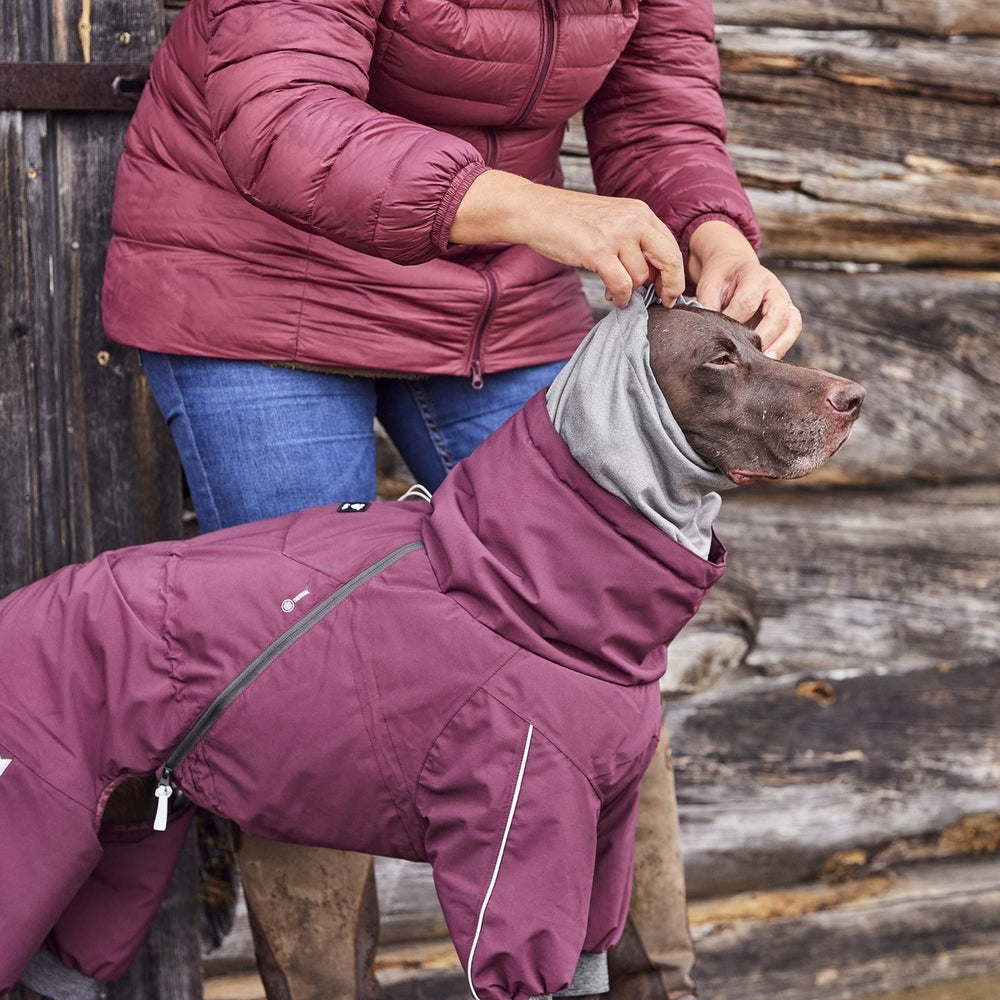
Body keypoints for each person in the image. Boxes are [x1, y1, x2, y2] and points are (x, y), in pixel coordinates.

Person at [97, 0, 802, 998]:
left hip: (491, 290)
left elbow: (655, 106)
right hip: (256, 283)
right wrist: (546, 211)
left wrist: (715, 230)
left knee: (598, 631)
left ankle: (645, 983)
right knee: (299, 667)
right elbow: (284, 119)